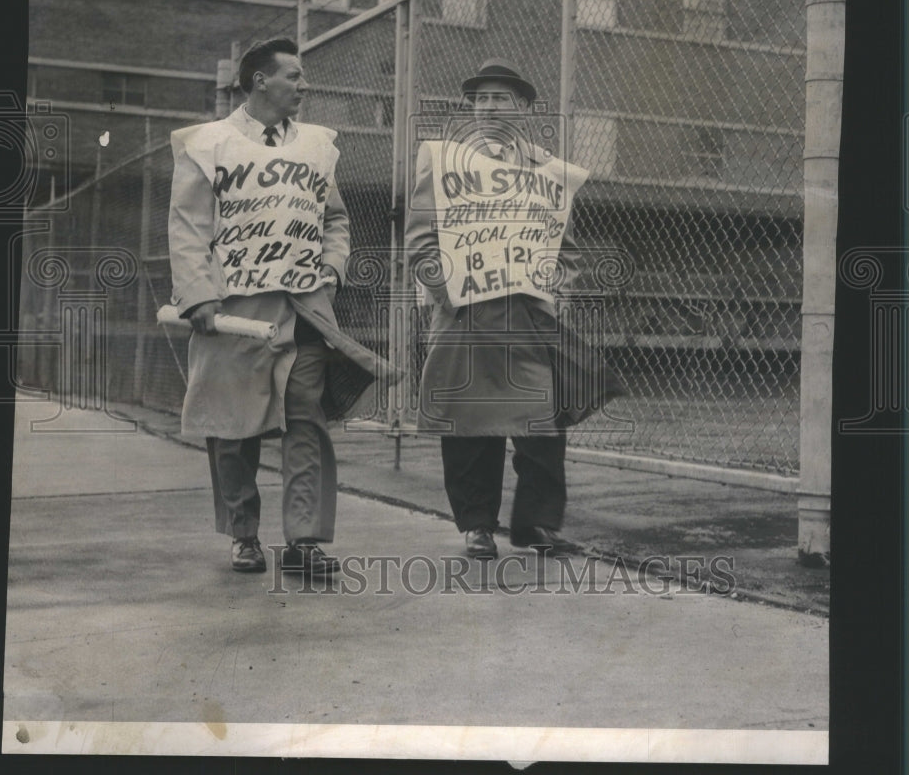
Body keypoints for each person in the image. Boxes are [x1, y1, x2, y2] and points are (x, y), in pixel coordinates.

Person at [168, 36, 389, 575]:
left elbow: (335, 219)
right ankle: (244, 534)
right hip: (234, 310)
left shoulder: (316, 145)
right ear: (259, 80)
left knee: (306, 421)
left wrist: (333, 268)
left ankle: (305, 541)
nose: (303, 86)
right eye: (293, 75)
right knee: (231, 424)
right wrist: (197, 295)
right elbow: (188, 227)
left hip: (303, 307)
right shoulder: (208, 143)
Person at [406, 59, 622, 559]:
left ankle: (537, 525)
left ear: (524, 108)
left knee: (541, 424)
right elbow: (420, 242)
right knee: (469, 421)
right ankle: (477, 525)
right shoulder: (444, 163)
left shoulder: (547, 170)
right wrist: (449, 290)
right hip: (465, 313)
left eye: (501, 99)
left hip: (526, 315)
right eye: (481, 99)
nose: (489, 108)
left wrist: (554, 289)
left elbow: (564, 252)